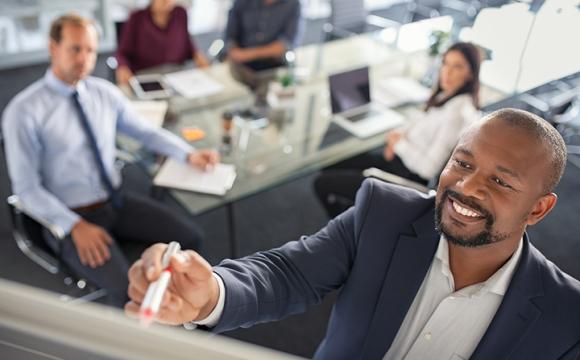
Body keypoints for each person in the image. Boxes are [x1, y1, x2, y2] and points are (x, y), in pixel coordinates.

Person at [127, 108, 580, 359]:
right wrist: (211, 295)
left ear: (538, 208)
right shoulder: (384, 214)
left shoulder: (567, 317)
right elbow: (287, 275)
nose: (466, 186)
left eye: (500, 181)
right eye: (462, 162)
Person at [2, 14, 219, 308]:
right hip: (70, 216)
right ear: (53, 47)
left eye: (91, 50)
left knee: (190, 238)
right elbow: (27, 190)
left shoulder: (103, 93)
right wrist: (74, 225)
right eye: (75, 49)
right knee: (130, 294)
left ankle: (176, 310)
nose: (84, 59)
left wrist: (187, 153)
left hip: (115, 202)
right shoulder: (24, 111)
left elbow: (144, 131)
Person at [315, 42, 482, 218]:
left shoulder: (457, 114)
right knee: (331, 163)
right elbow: (418, 121)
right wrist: (397, 139)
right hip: (398, 159)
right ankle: (358, 215)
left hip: (405, 177)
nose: (447, 72)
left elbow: (428, 170)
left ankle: (349, 227)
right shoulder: (448, 96)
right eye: (445, 64)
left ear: (471, 73)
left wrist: (398, 144)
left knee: (321, 183)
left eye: (457, 67)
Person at [115, 0, 209, 85]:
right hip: (147, 77)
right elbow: (122, 53)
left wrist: (197, 54)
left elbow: (186, 43)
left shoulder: (181, 13)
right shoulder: (136, 18)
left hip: (177, 75)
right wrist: (122, 67)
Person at [224, 0, 303, 103]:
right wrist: (235, 52)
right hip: (242, 70)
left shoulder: (293, 4)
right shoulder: (240, 2)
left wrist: (249, 54)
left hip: (275, 69)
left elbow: (286, 44)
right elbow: (230, 39)